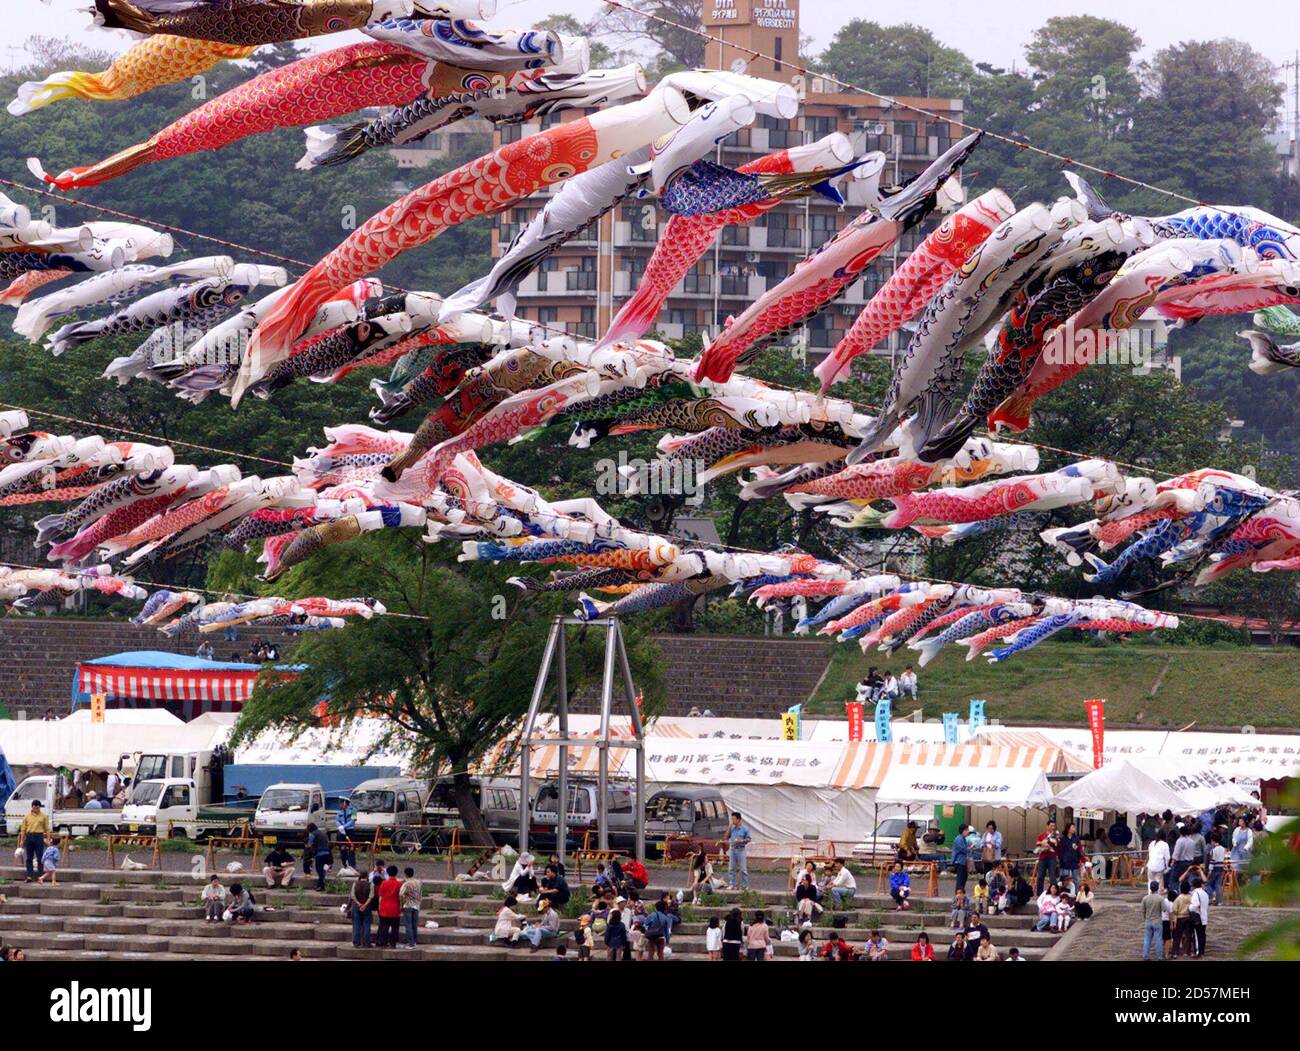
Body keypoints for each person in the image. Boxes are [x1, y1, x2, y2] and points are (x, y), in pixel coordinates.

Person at [19, 801, 50, 882]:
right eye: (34, 807)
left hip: (39, 837)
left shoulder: (44, 816)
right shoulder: (27, 816)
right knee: (29, 858)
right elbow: (23, 829)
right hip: (29, 837)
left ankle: (40, 877)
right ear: (32, 807)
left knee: (40, 858)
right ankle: (29, 876)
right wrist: (22, 840)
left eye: (37, 807)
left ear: (39, 807)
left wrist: (48, 840)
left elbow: (47, 829)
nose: (36, 808)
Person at [375, 865, 402, 948]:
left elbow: (380, 896)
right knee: (395, 928)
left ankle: (384, 942)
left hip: (384, 908)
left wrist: (379, 907)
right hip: (395, 908)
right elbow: (401, 896)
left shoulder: (384, 883)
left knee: (384, 927)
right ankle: (393, 943)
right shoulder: (399, 884)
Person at [1033, 820, 1061, 895]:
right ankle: (1039, 893)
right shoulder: (1042, 835)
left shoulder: (1056, 835)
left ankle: (1054, 893)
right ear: (1047, 826)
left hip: (1052, 857)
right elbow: (1037, 843)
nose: (1052, 827)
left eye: (1054, 826)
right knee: (1040, 876)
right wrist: (1042, 843)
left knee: (1052, 876)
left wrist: (1057, 840)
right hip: (1042, 857)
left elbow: (1058, 846)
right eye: (1051, 825)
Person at [726, 811, 752, 890]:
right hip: (733, 849)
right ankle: (732, 883)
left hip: (741, 849)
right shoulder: (732, 828)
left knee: (743, 869)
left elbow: (749, 839)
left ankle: (745, 885)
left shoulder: (744, 829)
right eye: (732, 819)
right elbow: (726, 837)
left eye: (734, 819)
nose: (732, 821)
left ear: (739, 819)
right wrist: (729, 827)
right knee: (731, 868)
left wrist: (741, 841)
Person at [304, 822, 332, 892]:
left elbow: (309, 844)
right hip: (328, 854)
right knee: (323, 870)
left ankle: (322, 886)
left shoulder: (313, 834)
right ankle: (319, 884)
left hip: (320, 855)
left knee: (319, 870)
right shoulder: (322, 833)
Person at [349, 874, 375, 948]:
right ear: (366, 877)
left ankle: (356, 942)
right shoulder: (370, 884)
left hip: (356, 907)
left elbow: (353, 896)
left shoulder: (355, 883)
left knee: (356, 925)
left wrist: (359, 904)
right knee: (367, 924)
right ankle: (367, 942)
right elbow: (371, 896)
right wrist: (365, 905)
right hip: (367, 907)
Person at [399, 867, 421, 948]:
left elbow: (401, 894)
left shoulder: (406, 883)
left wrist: (401, 904)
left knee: (408, 925)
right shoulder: (418, 882)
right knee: (414, 925)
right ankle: (414, 941)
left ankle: (411, 943)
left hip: (408, 905)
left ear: (405, 874)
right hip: (416, 905)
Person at [1170, 881, 1194, 959]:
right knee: (1188, 935)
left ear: (1180, 889)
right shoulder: (1191, 897)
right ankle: (1186, 951)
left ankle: (1175, 952)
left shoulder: (1178, 898)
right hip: (1188, 917)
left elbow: (1174, 910)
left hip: (1180, 918)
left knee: (1177, 936)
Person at [1189, 876, 1210, 958]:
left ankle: (1198, 952)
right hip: (1204, 916)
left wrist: (1189, 907)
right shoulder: (1205, 893)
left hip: (1198, 917)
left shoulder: (1195, 893)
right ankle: (1202, 951)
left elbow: (1195, 904)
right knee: (1202, 935)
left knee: (1197, 935)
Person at [335, 798, 357, 871]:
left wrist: (344, 826)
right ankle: (344, 864)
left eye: (341, 803)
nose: (339, 804)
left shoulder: (354, 810)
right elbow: (337, 820)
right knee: (342, 849)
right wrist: (340, 827)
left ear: (345, 803)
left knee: (351, 848)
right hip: (341, 832)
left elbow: (353, 821)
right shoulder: (339, 811)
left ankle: (352, 865)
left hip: (350, 831)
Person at [1206, 836, 1227, 905]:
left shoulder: (1213, 850)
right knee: (1218, 884)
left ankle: (1210, 898)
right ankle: (1219, 901)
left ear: (1213, 841)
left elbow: (1212, 861)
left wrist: (1210, 870)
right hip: (1221, 867)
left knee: (1207, 884)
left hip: (1215, 868)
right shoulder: (1223, 849)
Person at [951, 823, 970, 894]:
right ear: (963, 831)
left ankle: (961, 893)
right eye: (967, 830)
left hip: (962, 861)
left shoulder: (963, 838)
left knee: (964, 877)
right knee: (960, 878)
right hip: (959, 861)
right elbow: (963, 849)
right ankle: (958, 894)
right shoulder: (959, 839)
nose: (968, 832)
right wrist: (970, 848)